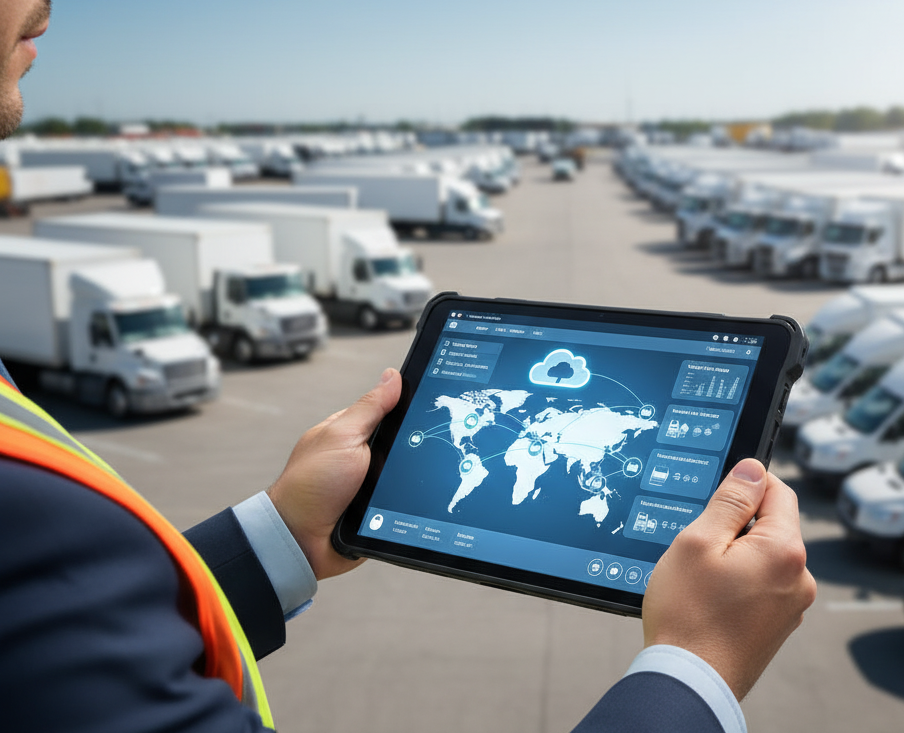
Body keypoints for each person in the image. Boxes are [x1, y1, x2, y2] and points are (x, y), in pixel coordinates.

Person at [0, 3, 816, 730]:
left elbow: (60, 652)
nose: (48, 10)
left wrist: (283, 531)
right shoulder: (29, 517)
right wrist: (696, 669)